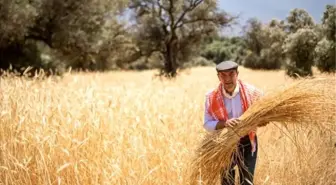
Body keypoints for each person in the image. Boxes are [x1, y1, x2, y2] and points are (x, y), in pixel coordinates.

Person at [203, 60, 264, 185]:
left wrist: (259, 120)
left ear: (237, 73)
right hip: (224, 143)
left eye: (231, 74)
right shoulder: (211, 96)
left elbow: (263, 119)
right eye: (223, 75)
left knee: (247, 182)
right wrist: (225, 123)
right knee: (227, 181)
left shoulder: (253, 93)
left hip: (247, 141)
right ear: (218, 77)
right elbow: (207, 123)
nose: (227, 79)